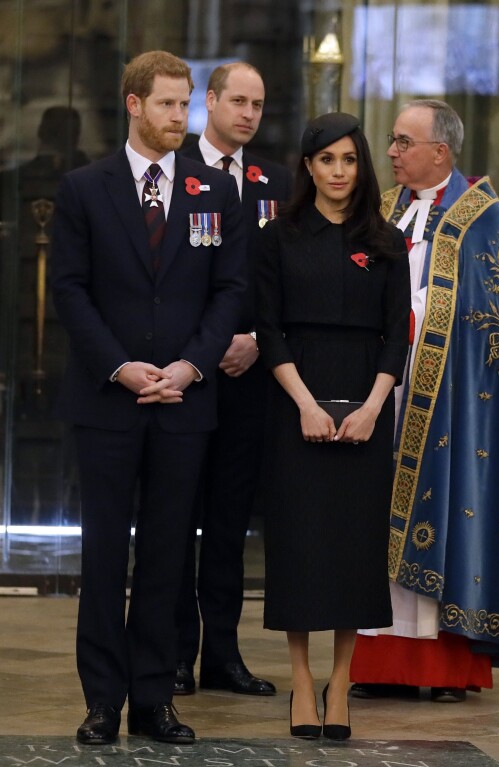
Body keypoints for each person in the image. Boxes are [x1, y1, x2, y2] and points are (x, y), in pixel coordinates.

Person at [51, 50, 246, 745]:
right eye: (167, 104)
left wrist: (193, 365)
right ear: (134, 104)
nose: (179, 117)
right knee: (104, 554)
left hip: (185, 404)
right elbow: (68, 288)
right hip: (108, 402)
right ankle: (103, 699)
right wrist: (121, 367)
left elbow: (229, 289)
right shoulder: (85, 187)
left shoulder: (212, 190)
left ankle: (155, 698)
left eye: (185, 103)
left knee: (169, 554)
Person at [350, 99, 499, 704]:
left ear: (439, 152)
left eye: (402, 142)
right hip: (381, 388)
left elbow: (490, 324)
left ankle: (443, 665)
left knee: (449, 506)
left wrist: (415, 324)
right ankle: (374, 658)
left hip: (450, 397)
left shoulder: (480, 215)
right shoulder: (384, 208)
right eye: (391, 141)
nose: (390, 152)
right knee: (372, 516)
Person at [255, 112, 411, 740]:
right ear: (308, 167)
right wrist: (306, 405)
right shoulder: (277, 236)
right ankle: (300, 677)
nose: (339, 172)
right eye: (327, 160)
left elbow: (396, 336)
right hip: (296, 398)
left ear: (361, 165)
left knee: (352, 548)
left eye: (349, 160)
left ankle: (341, 679)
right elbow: (267, 330)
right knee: (299, 545)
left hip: (367, 400)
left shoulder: (387, 240)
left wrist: (373, 408)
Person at [175, 62, 292, 697]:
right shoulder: (176, 172)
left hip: (250, 373)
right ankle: (172, 654)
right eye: (238, 101)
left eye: (259, 103)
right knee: (175, 517)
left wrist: (255, 340)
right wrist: (208, 346)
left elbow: (282, 280)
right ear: (210, 102)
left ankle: (222, 654)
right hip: (188, 372)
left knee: (227, 522)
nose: (249, 113)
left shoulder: (274, 180)